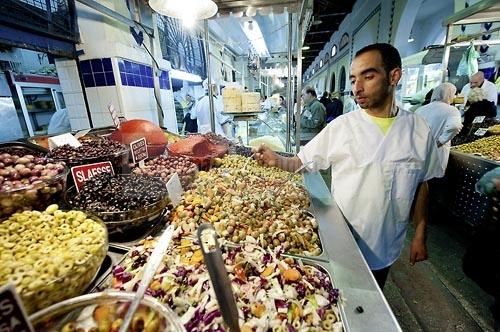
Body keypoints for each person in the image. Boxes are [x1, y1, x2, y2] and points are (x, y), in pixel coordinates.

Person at [254, 43, 443, 289]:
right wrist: (277, 160)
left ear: (394, 76)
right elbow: (302, 162)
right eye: (353, 79)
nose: (357, 88)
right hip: (343, 239)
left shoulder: (418, 130)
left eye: (369, 76)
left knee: (375, 293)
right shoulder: (343, 127)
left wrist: (420, 233)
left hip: (387, 243)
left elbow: (422, 183)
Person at [415, 83, 463, 171]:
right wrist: (441, 141)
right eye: (454, 94)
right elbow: (455, 127)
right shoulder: (452, 110)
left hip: (419, 152)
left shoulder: (420, 110)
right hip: (437, 152)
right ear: (450, 94)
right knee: (434, 179)